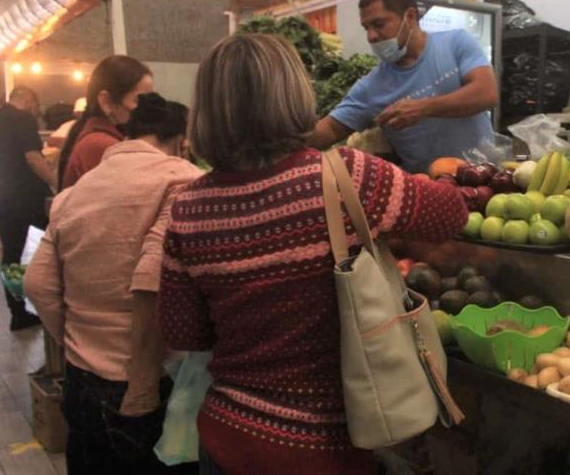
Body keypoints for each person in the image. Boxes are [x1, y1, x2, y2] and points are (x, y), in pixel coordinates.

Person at [158, 33, 467, 475]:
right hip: (326, 448)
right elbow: (450, 216)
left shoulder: (187, 209)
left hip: (228, 438)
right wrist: (450, 175)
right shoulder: (347, 178)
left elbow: (184, 333)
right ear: (293, 95)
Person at [25, 93, 202, 475]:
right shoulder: (183, 180)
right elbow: (153, 277)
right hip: (155, 380)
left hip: (82, 379)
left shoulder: (74, 194)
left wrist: (77, 337)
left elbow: (37, 284)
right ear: (180, 140)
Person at [309, 0, 500, 174]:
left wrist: (423, 108)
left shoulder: (456, 43)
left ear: (409, 16)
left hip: (484, 178)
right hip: (429, 192)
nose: (371, 36)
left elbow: (486, 93)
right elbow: (331, 129)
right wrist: (283, 138)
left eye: (379, 24)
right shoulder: (371, 87)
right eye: (366, 28)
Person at [0, 86, 54, 331]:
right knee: (39, 252)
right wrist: (57, 182)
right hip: (25, 198)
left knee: (12, 253)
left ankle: (18, 309)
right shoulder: (22, 118)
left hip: (2, 197)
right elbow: (33, 158)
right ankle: (35, 309)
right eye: (36, 106)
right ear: (29, 101)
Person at [58, 55, 153, 190]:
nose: (148, 109)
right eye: (139, 101)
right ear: (106, 101)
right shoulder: (101, 145)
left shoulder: (98, 138)